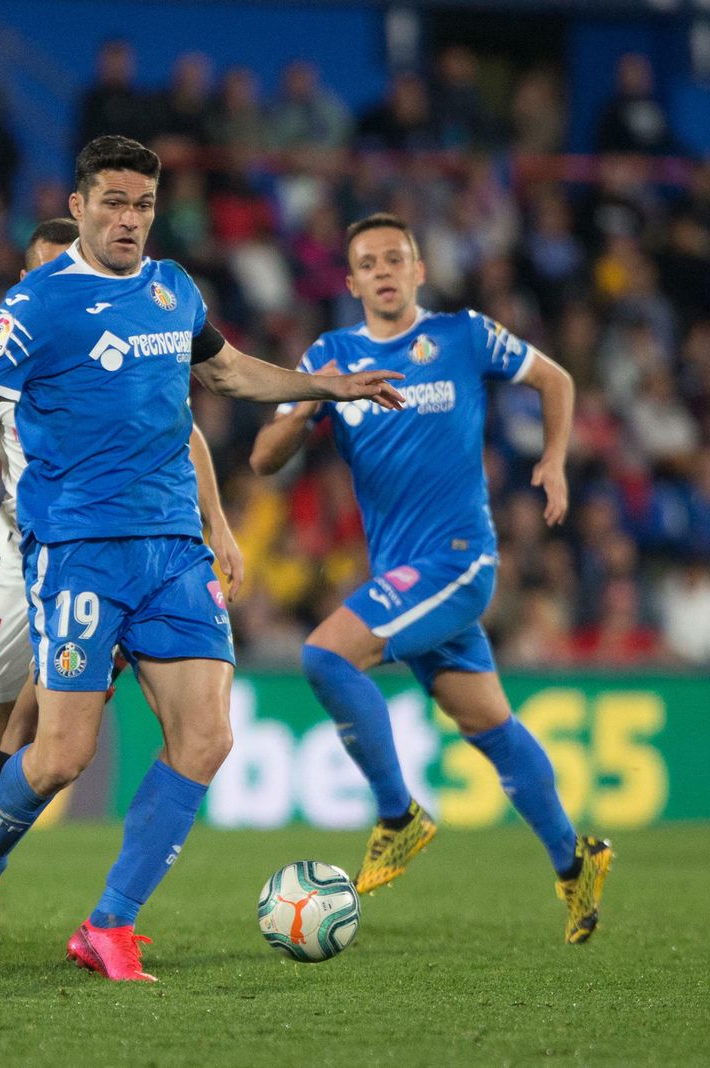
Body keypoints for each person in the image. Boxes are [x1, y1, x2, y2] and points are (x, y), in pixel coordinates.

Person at [0, 135, 404, 981]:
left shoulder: (173, 289)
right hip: (79, 552)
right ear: (79, 205)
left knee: (207, 738)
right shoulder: (39, 301)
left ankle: (110, 925)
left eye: (144, 205)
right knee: (60, 756)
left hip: (173, 551)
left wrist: (329, 387)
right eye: (114, 203)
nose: (130, 219)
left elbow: (228, 375)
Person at [0, 216, 246, 965]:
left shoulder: (123, 341)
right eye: (52, 267)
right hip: (20, 567)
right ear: (28, 281)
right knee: (10, 753)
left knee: (78, 738)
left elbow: (185, 435)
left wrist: (217, 523)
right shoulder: (5, 363)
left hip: (108, 555)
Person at [250, 212, 612, 944]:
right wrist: (322, 393)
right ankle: (577, 863)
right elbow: (263, 459)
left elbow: (556, 379)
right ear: (351, 282)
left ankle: (398, 815)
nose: (383, 271)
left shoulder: (463, 335)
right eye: (368, 263)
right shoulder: (332, 355)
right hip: (406, 575)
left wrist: (554, 459)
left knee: (325, 655)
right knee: (488, 724)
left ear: (419, 270)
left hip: (458, 560)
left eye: (396, 258)